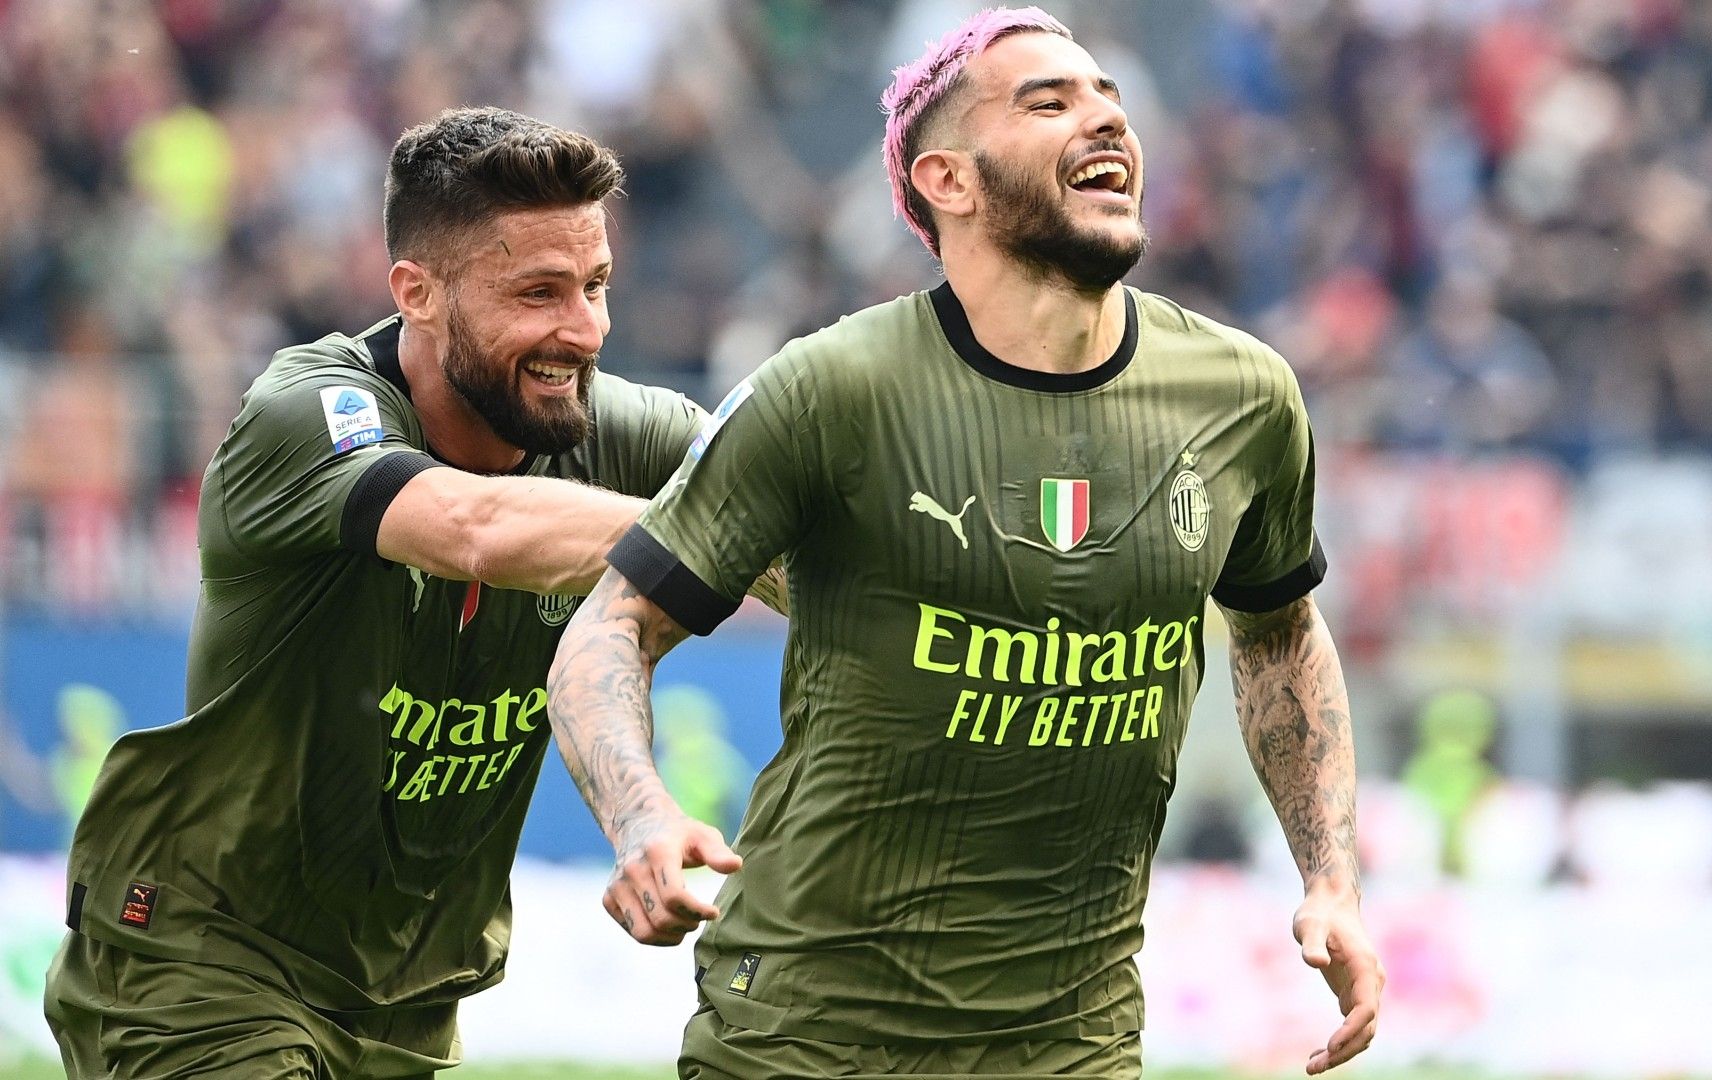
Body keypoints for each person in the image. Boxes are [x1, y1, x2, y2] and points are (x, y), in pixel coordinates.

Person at [547, 7, 1384, 1078]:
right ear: (949, 181)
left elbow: (1279, 636)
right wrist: (642, 816)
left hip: (1073, 1044)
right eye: (1050, 101)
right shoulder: (832, 390)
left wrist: (1331, 879)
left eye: (1111, 100)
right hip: (807, 1033)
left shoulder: (1245, 396)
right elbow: (609, 630)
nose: (1104, 120)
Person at [43, 106, 774, 1079]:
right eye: (538, 293)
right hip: (200, 953)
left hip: (407, 993)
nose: (585, 329)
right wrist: (721, 532)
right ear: (416, 291)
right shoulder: (305, 411)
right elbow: (471, 528)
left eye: (596, 286)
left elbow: (814, 537)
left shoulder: (624, 432)